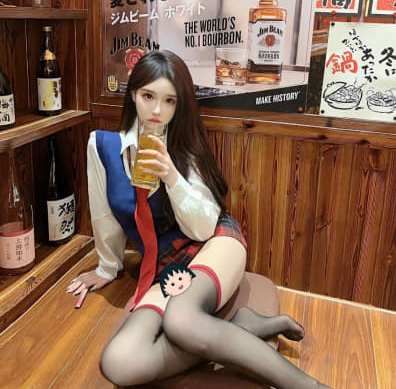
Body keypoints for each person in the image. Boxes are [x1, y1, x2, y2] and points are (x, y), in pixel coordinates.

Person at [67, 50, 332, 388]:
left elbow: (205, 227)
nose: (157, 110)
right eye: (148, 96)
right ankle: (240, 327)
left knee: (181, 321)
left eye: (169, 101)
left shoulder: (184, 147)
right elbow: (104, 214)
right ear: (133, 95)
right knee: (120, 362)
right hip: (165, 264)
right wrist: (107, 267)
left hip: (214, 243)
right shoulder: (102, 146)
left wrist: (171, 177)